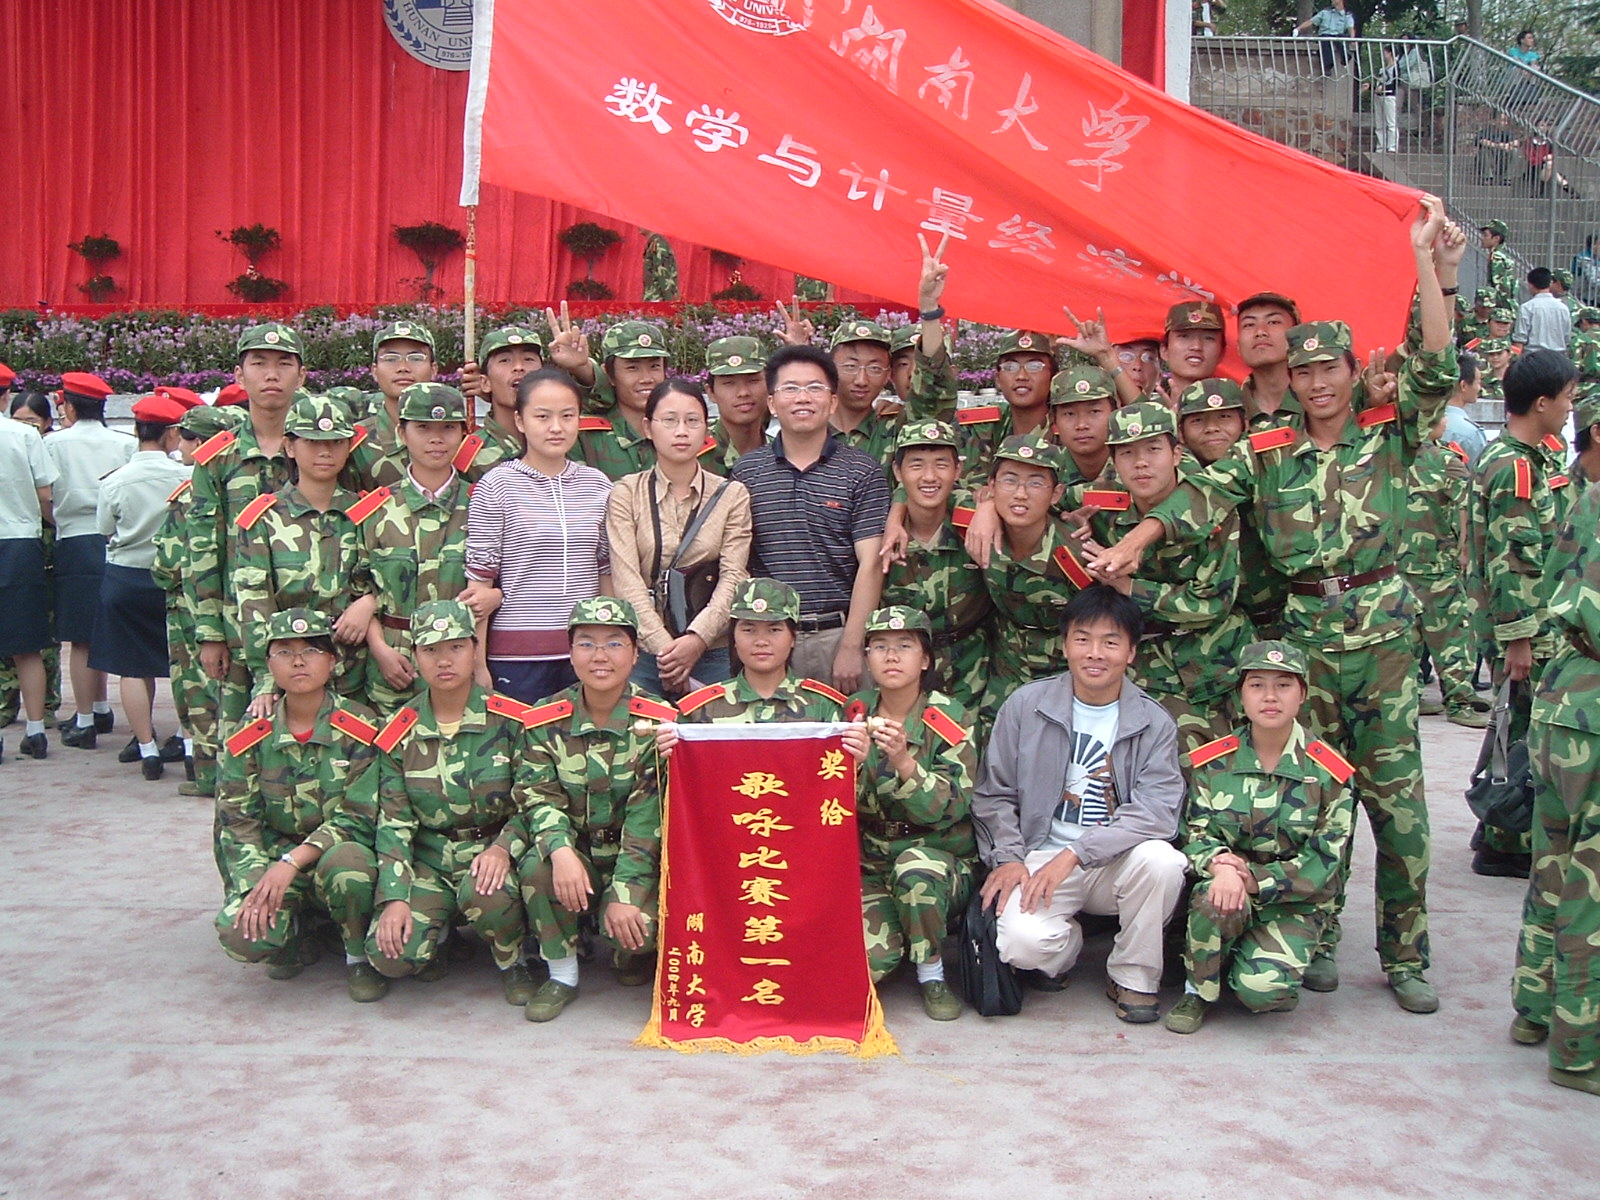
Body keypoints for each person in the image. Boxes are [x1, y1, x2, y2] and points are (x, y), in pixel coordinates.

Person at [1092, 197, 1463, 1013]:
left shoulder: (1389, 430)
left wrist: (1431, 267)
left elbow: (1437, 362)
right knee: (1315, 795)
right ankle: (1317, 936)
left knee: (1399, 809)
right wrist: (1138, 540)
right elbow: (1200, 495)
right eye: (1305, 372)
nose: (1319, 383)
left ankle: (1405, 956)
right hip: (1304, 645)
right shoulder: (1268, 450)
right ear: (1288, 381)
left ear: (1351, 372)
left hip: (1384, 641)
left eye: (1332, 369)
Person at [973, 585, 1187, 1023]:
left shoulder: (1153, 721)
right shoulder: (1026, 706)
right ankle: (1067, 949)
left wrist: (1077, 852)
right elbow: (994, 793)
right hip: (1040, 855)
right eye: (1083, 639)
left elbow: (1157, 811)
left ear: (1131, 652)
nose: (1095, 653)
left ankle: (1133, 974)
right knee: (1021, 945)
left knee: (1163, 861)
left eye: (1111, 642)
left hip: (1115, 860)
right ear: (1065, 644)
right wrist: (1008, 857)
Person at [1164, 641, 1356, 1034]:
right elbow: (1195, 832)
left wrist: (1254, 879)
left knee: (1262, 992)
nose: (1270, 696)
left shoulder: (1328, 772)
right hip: (1226, 891)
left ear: (1302, 694)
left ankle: (1263, 963)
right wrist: (1221, 867)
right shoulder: (1214, 762)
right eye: (1257, 685)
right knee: (1212, 896)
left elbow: (1325, 860)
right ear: (1241, 695)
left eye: (1283, 685)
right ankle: (1197, 991)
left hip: (1293, 903)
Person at [508, 597, 670, 1022]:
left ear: (635, 654)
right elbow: (538, 797)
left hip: (631, 859)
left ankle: (626, 951)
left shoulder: (658, 724)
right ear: (570, 652)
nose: (600, 656)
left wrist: (625, 894)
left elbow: (648, 820)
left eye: (614, 643)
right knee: (538, 866)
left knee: (639, 934)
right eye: (587, 643)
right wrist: (561, 851)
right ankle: (562, 974)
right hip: (575, 858)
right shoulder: (543, 720)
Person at [214, 608, 385, 1002]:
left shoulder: (360, 728)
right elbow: (238, 821)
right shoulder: (250, 736)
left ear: (332, 660)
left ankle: (356, 954)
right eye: (284, 652)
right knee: (241, 933)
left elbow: (359, 816)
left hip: (333, 855)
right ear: (268, 663)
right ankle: (293, 933)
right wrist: (256, 886)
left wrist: (293, 862)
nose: (297, 661)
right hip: (275, 859)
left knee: (350, 868)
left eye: (311, 650)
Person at [367, 600, 533, 996]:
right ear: (415, 656)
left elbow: (532, 800)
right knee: (389, 956)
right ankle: (438, 937)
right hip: (431, 862)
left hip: (492, 855)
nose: (444, 661)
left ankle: (513, 959)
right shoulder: (399, 732)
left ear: (475, 649)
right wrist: (394, 897)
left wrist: (503, 849)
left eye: (456, 647)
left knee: (487, 891)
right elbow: (394, 821)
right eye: (431, 650)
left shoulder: (512, 721)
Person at [1085, 400, 1257, 752]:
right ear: (1113, 462)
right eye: (1127, 453)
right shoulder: (1104, 505)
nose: (1141, 463)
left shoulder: (1210, 507)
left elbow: (1212, 603)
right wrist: (987, 510)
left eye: (1153, 449)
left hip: (1220, 667)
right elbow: (1045, 499)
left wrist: (1129, 587)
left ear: (1177, 454)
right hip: (1150, 674)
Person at [1467, 349, 1580, 876]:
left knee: (1514, 727)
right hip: (1525, 629)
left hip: (1526, 626)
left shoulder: (1522, 458)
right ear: (1541, 402)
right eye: (1567, 398)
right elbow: (1511, 559)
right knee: (1524, 734)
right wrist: (1519, 639)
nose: (1569, 408)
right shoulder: (1515, 467)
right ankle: (1505, 843)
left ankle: (1497, 827)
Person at [1512, 480, 1600, 1096]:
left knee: (1554, 864)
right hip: (1592, 711)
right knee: (1589, 890)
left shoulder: (1591, 496)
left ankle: (1535, 1007)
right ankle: (1578, 1049)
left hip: (1564, 693)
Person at [732, 345, 888, 693]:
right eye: (790, 388)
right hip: (769, 636)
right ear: (772, 403)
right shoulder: (747, 472)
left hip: (837, 636)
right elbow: (737, 560)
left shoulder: (862, 471)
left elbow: (871, 563)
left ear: (832, 401)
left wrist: (852, 645)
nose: (803, 398)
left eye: (814, 388)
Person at [849, 605, 978, 1021]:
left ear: (924, 660)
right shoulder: (853, 712)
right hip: (871, 861)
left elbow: (952, 807)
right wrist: (851, 769)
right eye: (879, 647)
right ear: (867, 658)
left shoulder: (948, 718)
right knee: (862, 966)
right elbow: (826, 800)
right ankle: (901, 937)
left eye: (905, 646)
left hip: (937, 858)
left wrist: (905, 763)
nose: (891, 656)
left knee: (914, 871)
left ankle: (931, 973)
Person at [190, 324, 302, 777]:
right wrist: (209, 631)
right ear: (239, 375)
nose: (271, 374)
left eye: (283, 364)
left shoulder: (322, 447)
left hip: (311, 618)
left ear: (302, 375)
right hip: (240, 627)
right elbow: (203, 549)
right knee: (242, 747)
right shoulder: (218, 458)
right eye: (259, 364)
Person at [465, 369, 612, 705]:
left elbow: (606, 572)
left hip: (585, 654)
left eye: (567, 416)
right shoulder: (497, 486)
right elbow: (479, 583)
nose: (556, 427)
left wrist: (607, 643)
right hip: (517, 658)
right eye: (542, 417)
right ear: (520, 420)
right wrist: (478, 664)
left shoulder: (597, 485)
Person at [604, 378, 751, 698]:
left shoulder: (732, 495)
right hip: (644, 653)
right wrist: (668, 653)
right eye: (669, 421)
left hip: (711, 650)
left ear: (706, 428)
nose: (681, 431)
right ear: (648, 427)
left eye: (692, 421)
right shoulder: (626, 493)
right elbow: (626, 580)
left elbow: (734, 576)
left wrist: (696, 640)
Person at [352, 382, 488, 714]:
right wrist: (380, 649)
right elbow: (360, 588)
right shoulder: (375, 511)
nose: (436, 439)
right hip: (395, 666)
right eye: (423, 428)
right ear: (402, 433)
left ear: (464, 433)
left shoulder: (483, 503)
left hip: (462, 661)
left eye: (448, 428)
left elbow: (500, 579)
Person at [232, 394, 374, 707]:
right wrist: (266, 680)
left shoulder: (367, 513)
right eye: (312, 442)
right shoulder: (263, 519)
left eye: (336, 442)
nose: (325, 452)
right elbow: (255, 604)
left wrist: (370, 601)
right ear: (290, 447)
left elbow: (390, 579)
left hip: (357, 675)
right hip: (288, 676)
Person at [89, 392, 192, 779]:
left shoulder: (115, 480)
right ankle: (186, 741)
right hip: (175, 578)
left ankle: (147, 747)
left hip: (126, 576)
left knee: (132, 667)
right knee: (183, 663)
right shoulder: (186, 478)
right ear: (171, 435)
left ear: (136, 431)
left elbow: (104, 528)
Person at [153, 402, 249, 794]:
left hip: (192, 609)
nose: (180, 446)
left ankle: (209, 775)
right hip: (231, 609)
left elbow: (168, 564)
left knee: (199, 693)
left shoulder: (193, 494)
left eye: (186, 438)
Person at [880, 420, 994, 717]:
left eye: (941, 464)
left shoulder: (974, 520)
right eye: (916, 465)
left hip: (972, 667)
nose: (929, 477)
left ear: (958, 470)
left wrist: (989, 505)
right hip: (903, 672)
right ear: (898, 472)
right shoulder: (881, 529)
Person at [46, 371, 134, 749]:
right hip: (117, 540)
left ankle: (85, 718)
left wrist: (59, 521)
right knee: (107, 629)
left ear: (68, 406)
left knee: (81, 637)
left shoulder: (54, 443)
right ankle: (100, 707)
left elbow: (45, 495)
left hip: (74, 536)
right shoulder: (125, 442)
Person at [978, 432, 1084, 728]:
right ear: (991, 486)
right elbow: (923, 492)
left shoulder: (1075, 555)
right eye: (1009, 480)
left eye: (1036, 483)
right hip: (1006, 665)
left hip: (1063, 670)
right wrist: (985, 507)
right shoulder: (976, 529)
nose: (1021, 494)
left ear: (1056, 494)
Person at [1404, 423, 1489, 729]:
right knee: (1452, 637)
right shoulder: (1446, 461)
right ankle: (1459, 701)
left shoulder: (1389, 454)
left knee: (1408, 637)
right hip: (1437, 565)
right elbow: (1465, 506)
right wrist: (1464, 549)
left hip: (1398, 564)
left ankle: (1412, 695)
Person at [672, 578, 849, 724]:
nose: (761, 641)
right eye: (749, 630)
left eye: (774, 630)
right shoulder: (701, 710)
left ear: (793, 637)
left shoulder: (824, 707)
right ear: (733, 638)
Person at [0, 384, 58, 762]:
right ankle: (36, 730)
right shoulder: (23, 435)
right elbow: (45, 494)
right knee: (27, 644)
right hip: (19, 541)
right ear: (5, 397)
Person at [346, 320, 439, 488]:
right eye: (390, 359)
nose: (403, 367)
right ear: (374, 371)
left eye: (416, 358)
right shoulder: (353, 445)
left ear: (433, 370)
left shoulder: (454, 437)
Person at [576, 320, 666, 480]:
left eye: (654, 366)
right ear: (609, 374)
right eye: (632, 368)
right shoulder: (585, 436)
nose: (646, 378)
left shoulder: (680, 432)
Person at [457, 323, 545, 471]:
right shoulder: (470, 458)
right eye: (505, 360)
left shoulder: (566, 440)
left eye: (528, 359)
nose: (519, 367)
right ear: (485, 382)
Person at [702, 336, 771, 474]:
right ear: (711, 392)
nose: (743, 392)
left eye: (753, 381)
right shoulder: (694, 455)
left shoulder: (784, 452)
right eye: (729, 383)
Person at [1236, 291, 1303, 429]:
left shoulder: (1321, 400)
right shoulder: (1227, 411)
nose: (1260, 332)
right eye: (1249, 324)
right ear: (1238, 346)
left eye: (1273, 322)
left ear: (1296, 338)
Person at [1160, 302, 1227, 404]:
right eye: (1184, 336)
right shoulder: (1146, 410)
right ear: (1164, 350)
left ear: (1222, 353)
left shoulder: (1239, 407)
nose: (1196, 346)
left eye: (1208, 338)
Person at [1443, 353, 1489, 466]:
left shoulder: (1428, 421)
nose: (1480, 388)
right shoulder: (1471, 433)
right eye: (1478, 382)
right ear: (1464, 385)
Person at [1513, 267, 1573, 354]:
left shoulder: (1527, 307)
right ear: (1550, 283)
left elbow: (1520, 339)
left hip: (1534, 356)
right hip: (1558, 356)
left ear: (1530, 285)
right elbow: (1567, 338)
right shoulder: (1563, 308)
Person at [1294, 0, 1355, 75]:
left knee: (1342, 38)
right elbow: (1311, 21)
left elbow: (1350, 28)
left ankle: (1346, 57)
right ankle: (1328, 66)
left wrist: (1353, 40)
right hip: (1325, 35)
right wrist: (1298, 29)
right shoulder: (1325, 13)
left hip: (1337, 35)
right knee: (1326, 41)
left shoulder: (1346, 15)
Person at [1365, 45, 1400, 153]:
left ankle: (1392, 146)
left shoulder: (1396, 68)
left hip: (1389, 96)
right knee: (1379, 123)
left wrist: (1385, 87)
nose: (1384, 55)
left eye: (1385, 53)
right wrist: (1371, 87)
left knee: (1391, 123)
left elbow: (1396, 83)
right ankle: (1381, 146)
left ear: (1390, 54)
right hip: (1379, 96)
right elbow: (1379, 83)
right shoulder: (1382, 69)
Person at [1480, 220, 1519, 312]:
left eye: (1485, 235)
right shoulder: (1501, 255)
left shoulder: (1497, 258)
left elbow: (1501, 291)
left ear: (1496, 238)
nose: (1482, 238)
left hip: (1502, 309)